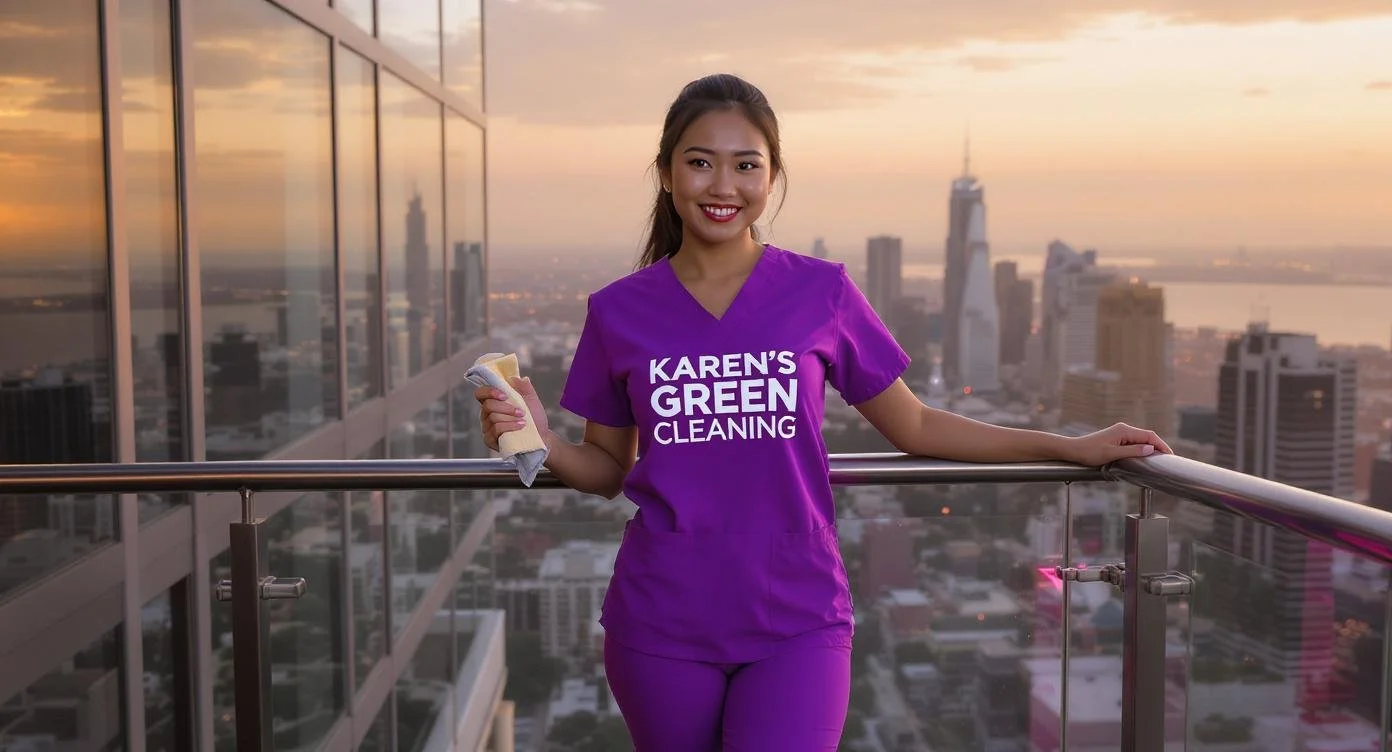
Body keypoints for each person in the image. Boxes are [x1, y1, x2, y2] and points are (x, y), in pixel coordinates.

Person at [475, 73, 1171, 751]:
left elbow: (916, 425)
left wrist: (1070, 447)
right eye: (700, 163)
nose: (723, 185)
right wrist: (540, 440)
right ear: (665, 173)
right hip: (660, 622)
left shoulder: (820, 292)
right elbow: (606, 469)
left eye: (746, 165)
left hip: (798, 618)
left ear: (772, 177)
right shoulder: (619, 311)